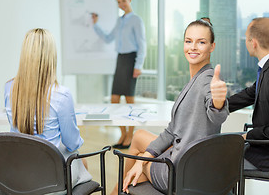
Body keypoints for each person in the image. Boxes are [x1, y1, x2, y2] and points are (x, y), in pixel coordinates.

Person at [110, 19, 229, 194]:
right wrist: (143, 159)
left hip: (181, 172)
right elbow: (172, 130)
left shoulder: (207, 80)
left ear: (212, 46)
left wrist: (218, 102)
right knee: (139, 140)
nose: (193, 47)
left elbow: (216, 114)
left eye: (201, 42)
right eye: (189, 41)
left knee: (134, 167)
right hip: (187, 162)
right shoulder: (195, 78)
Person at [4, 28, 92, 190]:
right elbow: (72, 143)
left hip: (18, 172)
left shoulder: (9, 88)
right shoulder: (61, 94)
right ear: (51, 56)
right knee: (81, 161)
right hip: (50, 177)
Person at [92, 0, 146, 149]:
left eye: (123, 1)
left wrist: (138, 65)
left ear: (130, 0)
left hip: (131, 60)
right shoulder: (119, 20)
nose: (121, 4)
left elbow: (142, 44)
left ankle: (130, 135)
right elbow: (108, 38)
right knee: (114, 100)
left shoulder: (136, 20)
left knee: (130, 101)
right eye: (119, 2)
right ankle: (123, 133)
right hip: (120, 59)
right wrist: (96, 25)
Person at [228, 17, 269, 171]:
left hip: (264, 153)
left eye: (246, 38)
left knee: (218, 156)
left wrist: (249, 135)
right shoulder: (265, 69)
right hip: (260, 144)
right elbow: (250, 94)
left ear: (253, 43)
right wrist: (220, 105)